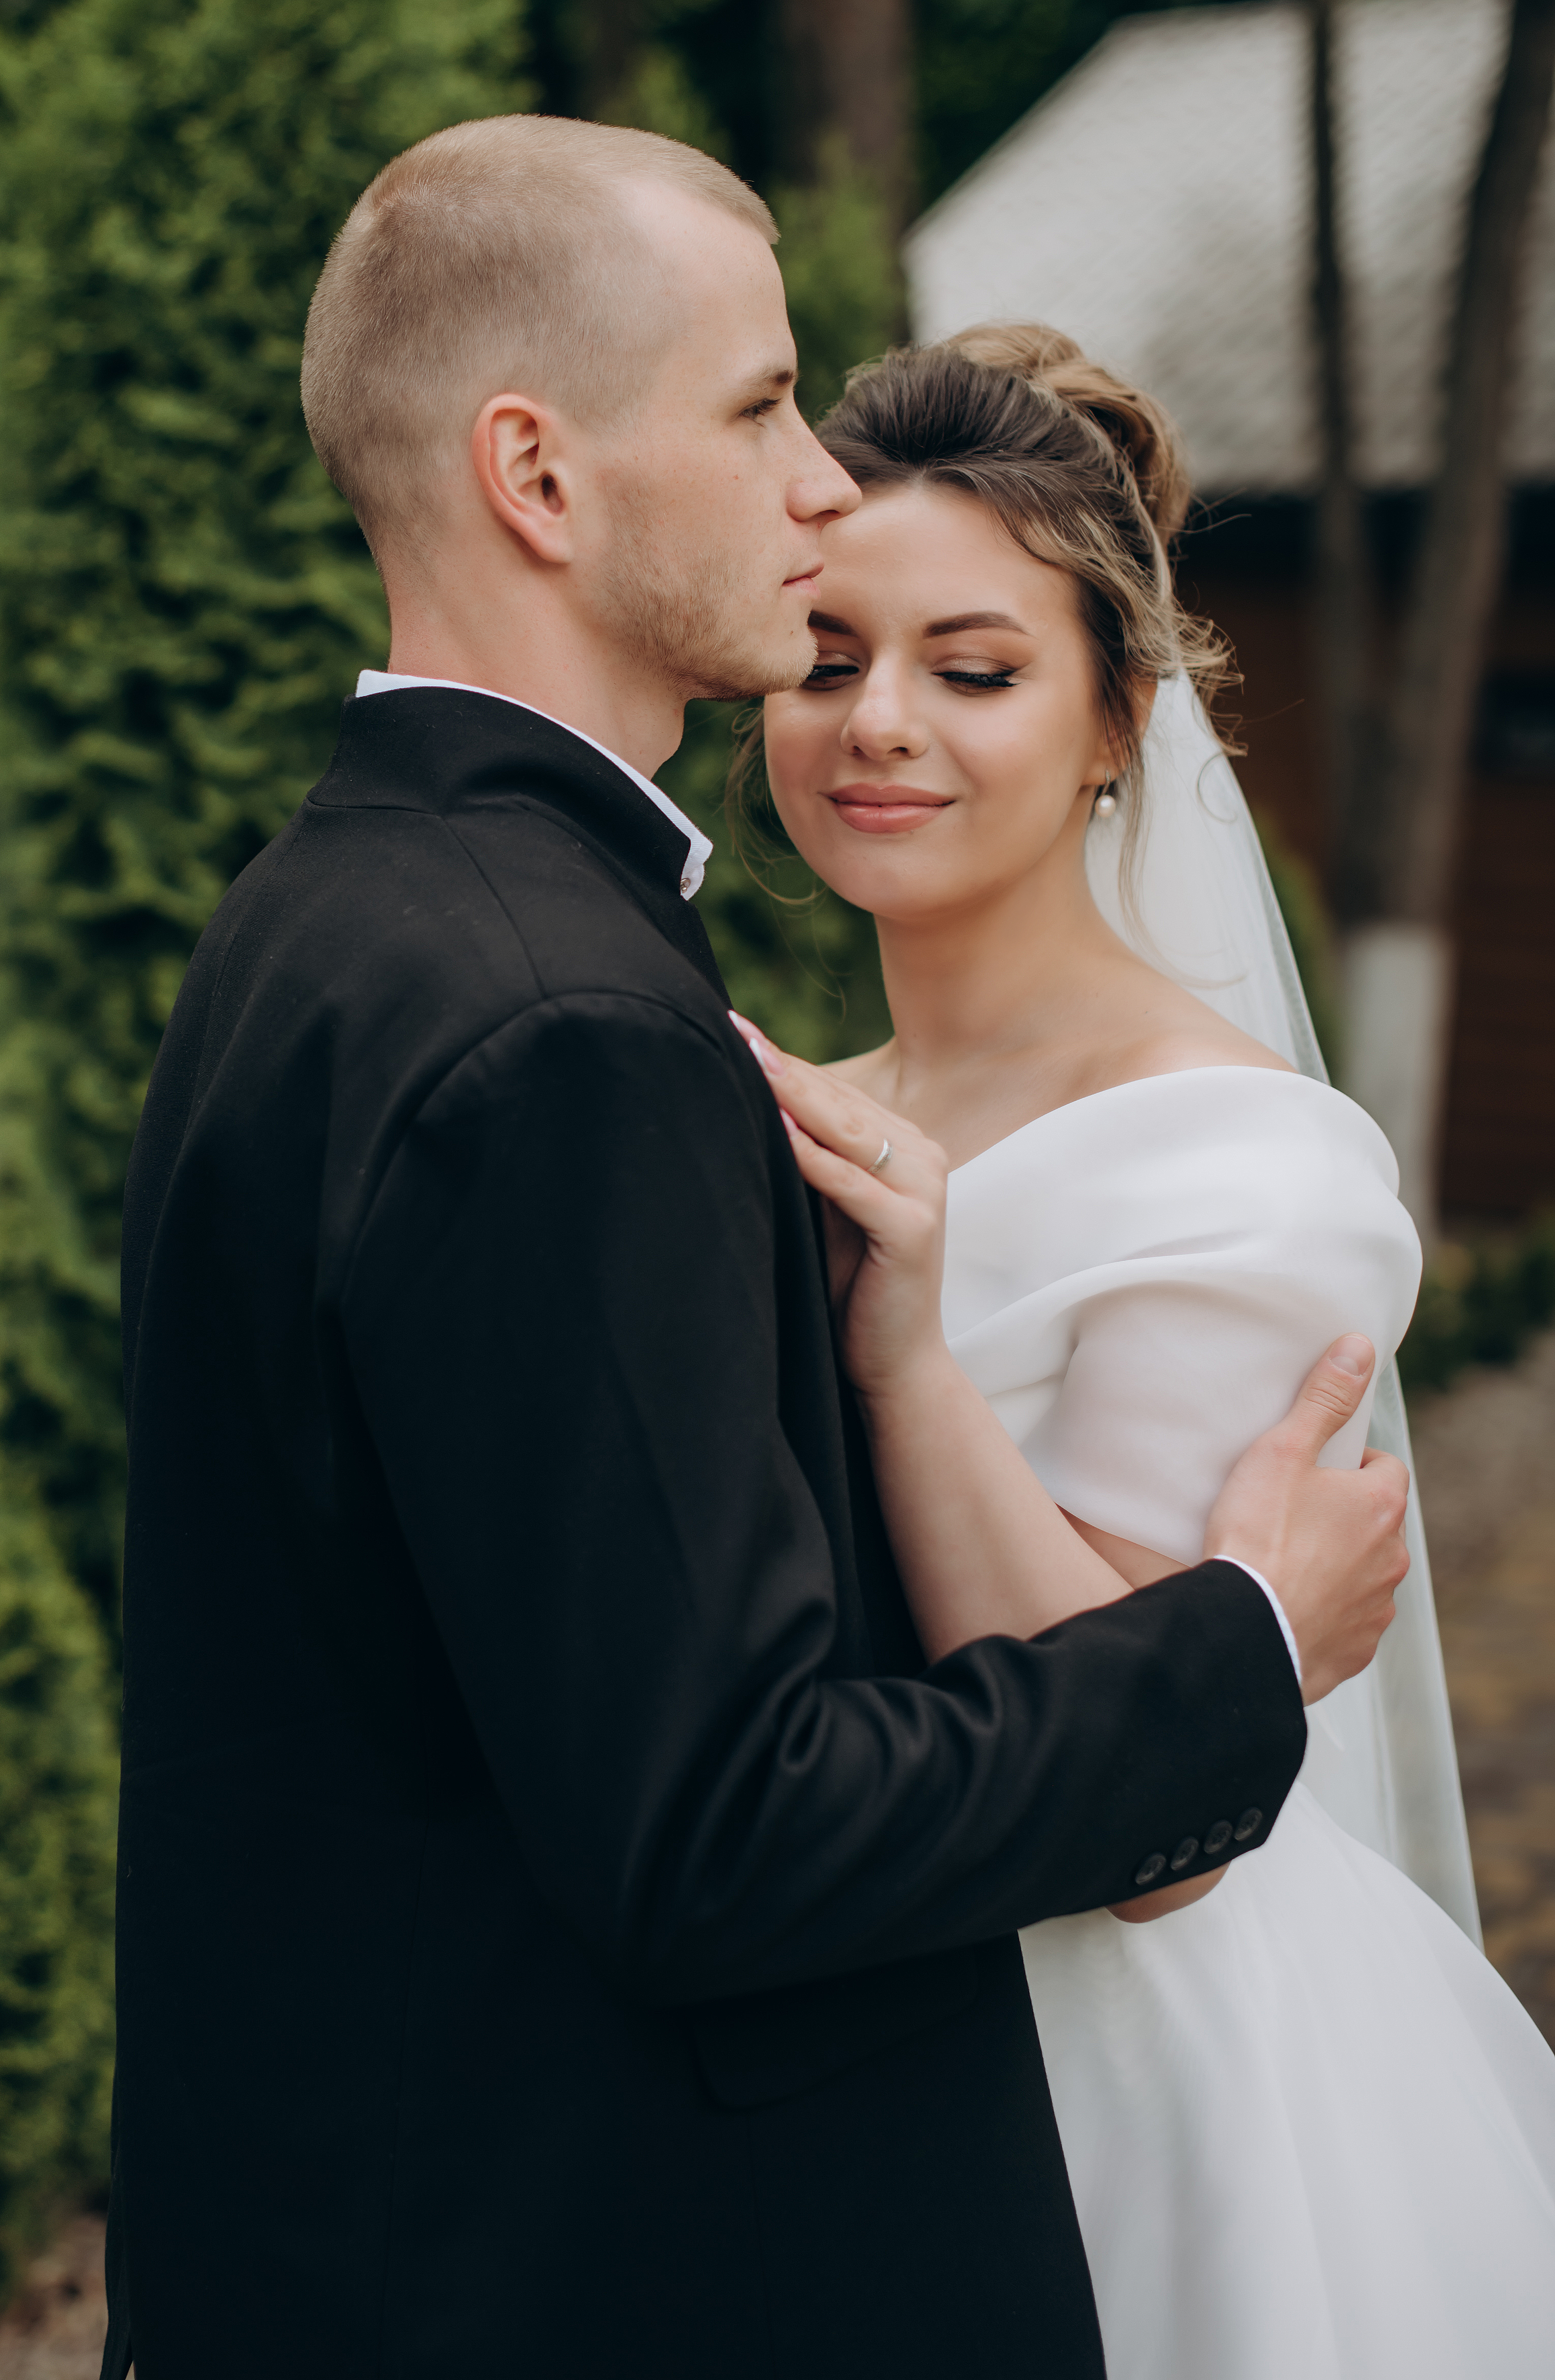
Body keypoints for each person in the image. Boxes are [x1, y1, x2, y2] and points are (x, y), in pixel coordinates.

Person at [103, 128, 1406, 2379]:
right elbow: (719, 1826)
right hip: (561, 2267)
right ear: (537, 472)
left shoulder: (326, 913)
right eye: (755, 406)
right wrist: (1247, 1647)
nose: (817, 486)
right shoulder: (568, 1029)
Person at [752, 323, 1555, 2380]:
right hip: (849, 2017)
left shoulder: (1239, 1161)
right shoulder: (793, 1100)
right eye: (827, 654)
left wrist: (911, 1359)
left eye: (976, 666)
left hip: (1131, 2086)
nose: (880, 723)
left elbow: (1151, 1831)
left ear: (1121, 714)